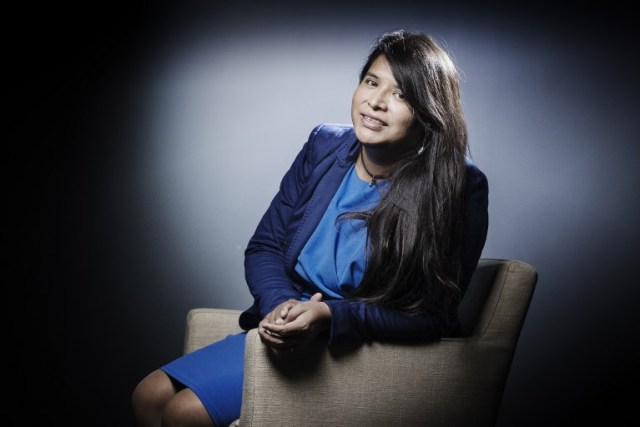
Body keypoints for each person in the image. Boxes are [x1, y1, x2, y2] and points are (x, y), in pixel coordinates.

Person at [131, 28, 488, 427]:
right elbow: (265, 246)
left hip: (360, 344)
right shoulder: (324, 146)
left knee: (185, 415)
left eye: (401, 94)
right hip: (290, 326)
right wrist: (282, 305)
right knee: (148, 396)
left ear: (428, 112)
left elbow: (432, 315)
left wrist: (328, 317)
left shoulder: (458, 184)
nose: (376, 102)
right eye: (372, 82)